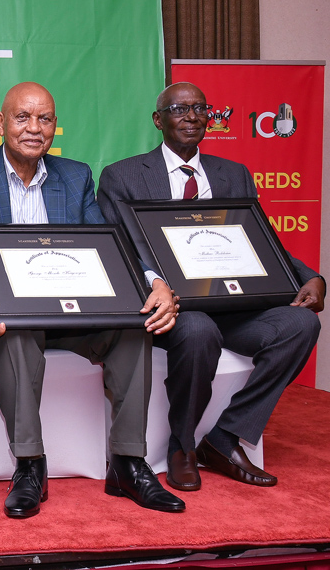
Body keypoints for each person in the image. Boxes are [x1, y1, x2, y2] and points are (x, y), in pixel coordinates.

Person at [0, 81, 185, 518]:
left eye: (45, 119)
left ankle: (128, 463)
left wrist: (154, 282)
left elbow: (108, 244)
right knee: (13, 328)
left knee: (134, 326)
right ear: (0, 123)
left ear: (55, 125)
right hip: (3, 309)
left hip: (73, 311)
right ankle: (31, 466)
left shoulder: (75, 176)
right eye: (22, 117)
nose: (34, 128)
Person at [97, 81, 324, 491]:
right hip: (174, 307)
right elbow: (122, 249)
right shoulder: (123, 176)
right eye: (180, 109)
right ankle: (182, 446)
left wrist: (311, 275)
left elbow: (262, 240)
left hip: (236, 305)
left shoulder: (232, 174)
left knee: (301, 326)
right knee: (200, 330)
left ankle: (225, 436)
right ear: (158, 120)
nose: (192, 117)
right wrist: (158, 286)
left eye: (200, 109)